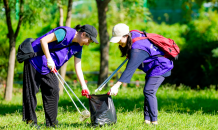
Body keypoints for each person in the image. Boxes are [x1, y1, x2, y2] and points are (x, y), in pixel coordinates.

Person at [22, 24, 98, 128]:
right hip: (35, 60)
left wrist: (84, 86)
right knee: (31, 92)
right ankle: (30, 123)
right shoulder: (64, 33)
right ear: (84, 34)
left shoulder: (79, 47)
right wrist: (49, 59)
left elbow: (78, 66)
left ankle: (51, 124)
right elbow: (43, 41)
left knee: (53, 90)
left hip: (49, 66)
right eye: (89, 41)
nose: (88, 44)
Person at [108, 23, 173, 125]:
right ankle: (147, 121)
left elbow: (129, 69)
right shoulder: (133, 35)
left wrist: (116, 86)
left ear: (126, 36)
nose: (118, 42)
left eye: (119, 39)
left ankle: (154, 122)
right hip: (153, 66)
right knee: (148, 91)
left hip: (161, 66)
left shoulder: (137, 49)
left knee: (149, 91)